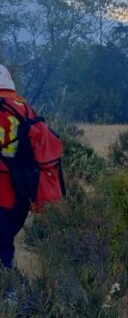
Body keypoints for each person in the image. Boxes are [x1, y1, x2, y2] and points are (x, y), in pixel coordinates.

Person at [0, 64, 58, 269]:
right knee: (4, 249)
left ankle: (12, 295)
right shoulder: (23, 106)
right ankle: (14, 293)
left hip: (3, 193)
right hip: (21, 193)